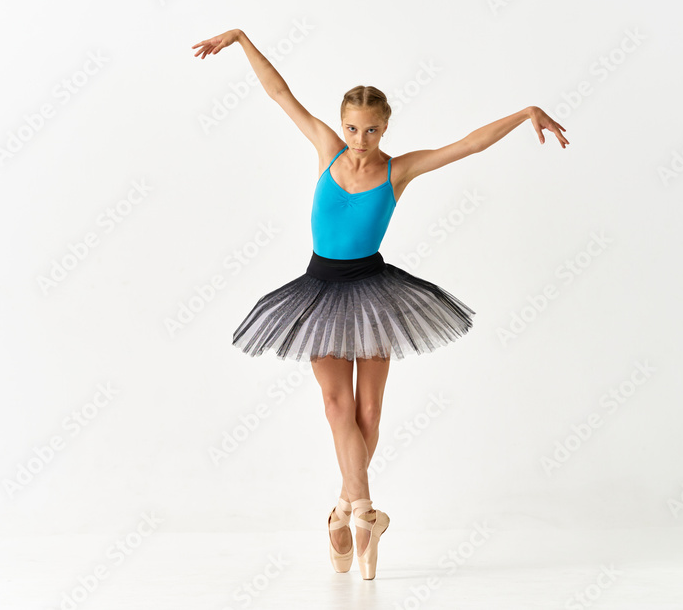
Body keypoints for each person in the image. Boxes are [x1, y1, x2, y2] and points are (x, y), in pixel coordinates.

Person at [192, 28, 568, 580]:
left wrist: (524, 112)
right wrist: (243, 40)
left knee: (369, 412)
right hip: (318, 292)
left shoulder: (399, 169)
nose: (359, 138)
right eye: (351, 128)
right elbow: (279, 94)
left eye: (370, 130)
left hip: (374, 293)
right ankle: (366, 513)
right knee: (336, 407)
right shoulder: (326, 149)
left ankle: (342, 511)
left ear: (385, 127)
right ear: (339, 124)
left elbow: (467, 144)